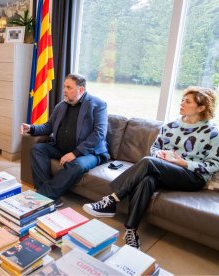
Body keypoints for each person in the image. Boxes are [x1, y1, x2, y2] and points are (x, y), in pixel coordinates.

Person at [83, 86, 219, 249]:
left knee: (148, 162)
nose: (182, 103)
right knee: (147, 180)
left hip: (192, 176)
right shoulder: (170, 126)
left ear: (202, 107)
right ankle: (131, 230)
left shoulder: (212, 133)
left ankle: (111, 200)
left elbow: (214, 164)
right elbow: (155, 148)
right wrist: (160, 155)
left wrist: (184, 163)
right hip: (166, 170)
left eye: (187, 101)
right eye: (182, 100)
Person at [22, 74, 109, 207]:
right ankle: (49, 196)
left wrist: (75, 153)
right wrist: (31, 128)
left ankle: (44, 195)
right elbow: (48, 126)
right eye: (64, 87)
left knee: (77, 165)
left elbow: (99, 134)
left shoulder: (98, 105)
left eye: (69, 87)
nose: (64, 90)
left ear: (80, 90)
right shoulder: (61, 105)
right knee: (37, 149)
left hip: (89, 153)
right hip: (61, 148)